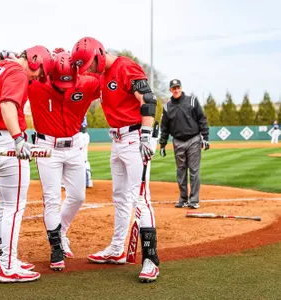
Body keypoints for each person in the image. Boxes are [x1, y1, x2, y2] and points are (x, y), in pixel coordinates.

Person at [71, 37, 160, 282]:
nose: (88, 70)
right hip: (117, 139)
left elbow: (148, 100)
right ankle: (117, 249)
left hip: (134, 138)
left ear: (100, 54)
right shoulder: (99, 75)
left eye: (90, 65)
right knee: (120, 196)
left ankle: (151, 259)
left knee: (140, 198)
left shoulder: (125, 67)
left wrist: (146, 134)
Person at [0, 45, 53, 283]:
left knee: (6, 206)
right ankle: (8, 266)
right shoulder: (17, 72)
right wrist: (19, 139)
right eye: (39, 72)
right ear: (34, 61)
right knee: (14, 208)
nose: (37, 78)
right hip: (7, 144)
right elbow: (7, 105)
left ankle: (4, 259)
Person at [28, 50, 100, 271]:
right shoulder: (35, 83)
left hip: (75, 145)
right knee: (51, 199)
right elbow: (9, 75)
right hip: (47, 148)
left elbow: (110, 77)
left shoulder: (87, 83)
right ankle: (56, 247)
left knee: (78, 196)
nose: (63, 87)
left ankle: (61, 230)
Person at [159, 79, 209, 209]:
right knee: (181, 171)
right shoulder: (167, 106)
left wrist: (205, 137)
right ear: (170, 90)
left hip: (194, 139)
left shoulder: (192, 101)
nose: (176, 90)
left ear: (181, 88)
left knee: (194, 170)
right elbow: (164, 127)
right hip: (178, 141)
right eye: (173, 88)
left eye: (178, 88)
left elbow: (202, 119)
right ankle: (183, 198)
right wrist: (162, 144)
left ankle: (194, 200)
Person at [80, 114, 93, 188]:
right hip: (85, 134)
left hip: (79, 135)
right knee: (84, 159)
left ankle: (86, 181)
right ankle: (88, 181)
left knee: (74, 160)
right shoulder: (83, 104)